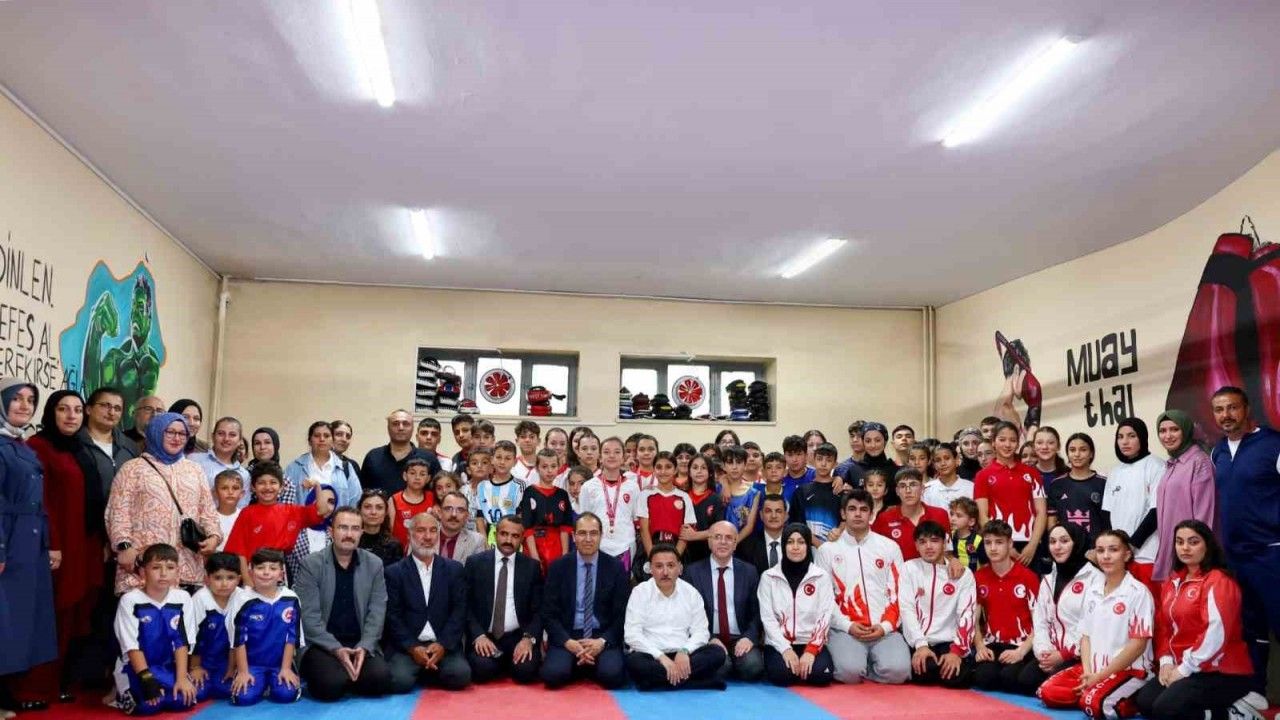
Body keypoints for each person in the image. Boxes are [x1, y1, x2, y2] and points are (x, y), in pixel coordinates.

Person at [1135, 520, 1264, 720]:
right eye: (1179, 542)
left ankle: (1236, 715)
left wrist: (1184, 669)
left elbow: (1216, 634)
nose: (1185, 548)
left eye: (1193, 542)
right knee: (1145, 702)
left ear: (1207, 545)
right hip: (1185, 665)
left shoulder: (1219, 581)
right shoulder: (1173, 582)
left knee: (1166, 708)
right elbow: (1164, 627)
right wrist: (1166, 662)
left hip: (1221, 671)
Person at [25, 390, 100, 705]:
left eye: (77, 410)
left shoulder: (79, 448)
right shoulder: (38, 446)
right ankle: (32, 687)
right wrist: (52, 543)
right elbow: (40, 500)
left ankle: (58, 682)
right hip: (55, 547)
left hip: (83, 546)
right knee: (50, 615)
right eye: (63, 409)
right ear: (50, 413)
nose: (71, 416)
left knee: (73, 617)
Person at [1037, 530, 1153, 717]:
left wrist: (1100, 676)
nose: (1106, 556)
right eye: (1100, 550)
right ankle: (1093, 693)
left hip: (1128, 671)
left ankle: (1128, 699)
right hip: (1093, 669)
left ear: (1127, 555)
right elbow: (1085, 636)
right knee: (1046, 692)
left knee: (1095, 706)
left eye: (1113, 550)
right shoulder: (1093, 590)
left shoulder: (1138, 593)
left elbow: (1138, 645)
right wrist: (1089, 672)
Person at [1209, 386, 1280, 690]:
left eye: (1232, 407)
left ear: (1247, 409)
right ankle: (1258, 693)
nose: (1226, 415)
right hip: (1237, 557)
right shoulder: (1217, 452)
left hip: (1272, 553)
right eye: (1219, 410)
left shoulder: (1274, 444)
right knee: (1251, 629)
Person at [106, 412, 222, 594]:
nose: (177, 438)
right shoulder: (133, 468)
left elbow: (207, 510)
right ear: (156, 432)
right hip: (143, 566)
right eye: (170, 432)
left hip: (188, 566)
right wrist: (124, 546)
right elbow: (118, 511)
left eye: (182, 433)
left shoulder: (195, 470)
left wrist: (214, 537)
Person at [294, 507, 395, 701]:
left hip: (359, 643)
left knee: (381, 680)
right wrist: (336, 649)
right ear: (331, 531)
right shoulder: (311, 564)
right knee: (330, 687)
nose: (349, 534)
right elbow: (309, 617)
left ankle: (346, 673)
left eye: (355, 528)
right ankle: (339, 674)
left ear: (361, 532)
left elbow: (377, 612)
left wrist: (365, 646)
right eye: (343, 527)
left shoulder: (374, 564)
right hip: (322, 644)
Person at [0, 379, 57, 711]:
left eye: (30, 400)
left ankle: (6, 691)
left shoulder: (20, 444)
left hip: (28, 544)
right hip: (9, 543)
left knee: (18, 621)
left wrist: (46, 544)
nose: (24, 405)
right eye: (16, 399)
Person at [816, 489, 911, 685]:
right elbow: (823, 598)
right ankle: (860, 662)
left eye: (863, 509)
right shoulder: (827, 550)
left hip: (883, 628)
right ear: (843, 514)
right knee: (848, 673)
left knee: (898, 673)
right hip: (845, 629)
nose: (858, 514)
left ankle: (868, 663)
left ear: (871, 514)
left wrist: (885, 626)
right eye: (852, 509)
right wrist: (847, 626)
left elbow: (899, 592)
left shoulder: (889, 547)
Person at [539, 513, 629, 689]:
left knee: (613, 676)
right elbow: (548, 613)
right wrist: (568, 642)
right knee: (552, 676)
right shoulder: (558, 567)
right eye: (582, 533)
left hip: (601, 635)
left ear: (601, 536)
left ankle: (583, 664)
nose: (588, 539)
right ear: (574, 536)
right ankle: (584, 664)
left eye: (593, 533)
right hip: (569, 635)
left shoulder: (615, 568)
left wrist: (602, 642)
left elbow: (622, 615)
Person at [385, 512, 472, 692]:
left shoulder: (454, 569)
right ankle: (426, 669)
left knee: (461, 676)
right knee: (399, 681)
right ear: (409, 535)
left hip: (442, 644)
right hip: (409, 646)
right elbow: (393, 616)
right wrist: (412, 647)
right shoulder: (394, 572)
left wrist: (443, 644)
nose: (428, 537)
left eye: (433, 531)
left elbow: (459, 611)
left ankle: (425, 668)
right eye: (421, 531)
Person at [110, 544, 199, 715]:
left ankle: (167, 686)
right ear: (143, 572)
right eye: (156, 568)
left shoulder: (183, 598)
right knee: (147, 706)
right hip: (136, 668)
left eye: (170, 568)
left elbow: (182, 642)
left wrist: (181, 678)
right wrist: (147, 680)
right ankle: (123, 694)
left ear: (177, 571)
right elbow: (131, 646)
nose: (163, 573)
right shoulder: (130, 600)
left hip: (167, 666)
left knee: (183, 701)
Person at [624, 543, 727, 690]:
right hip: (653, 655)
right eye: (659, 566)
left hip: (684, 654)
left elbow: (701, 632)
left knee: (717, 653)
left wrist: (684, 651)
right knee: (635, 662)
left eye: (671, 566)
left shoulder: (691, 593)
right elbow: (632, 635)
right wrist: (661, 657)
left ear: (680, 568)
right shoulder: (640, 593)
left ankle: (655, 684)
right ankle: (700, 683)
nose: (665, 572)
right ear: (650, 569)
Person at [463, 515, 544, 684]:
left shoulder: (532, 567)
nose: (508, 540)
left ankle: (506, 661)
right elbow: (465, 605)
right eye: (504, 534)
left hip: (518, 635)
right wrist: (478, 636)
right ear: (495, 534)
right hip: (486, 635)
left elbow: (539, 610)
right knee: (482, 670)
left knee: (526, 672)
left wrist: (528, 639)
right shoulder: (475, 563)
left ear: (522, 539)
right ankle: (501, 662)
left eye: (515, 536)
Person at [1021, 522, 1099, 694]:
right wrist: (1044, 652)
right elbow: (1040, 621)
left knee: (1051, 690)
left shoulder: (1094, 578)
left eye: (1064, 541)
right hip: (1052, 651)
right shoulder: (1049, 578)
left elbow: (1092, 627)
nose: (1057, 547)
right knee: (1023, 681)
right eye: (1052, 541)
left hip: (1080, 655)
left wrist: (1064, 655)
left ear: (1077, 543)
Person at [222, 462, 335, 580]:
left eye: (273, 482)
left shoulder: (292, 511)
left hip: (282, 571)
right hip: (254, 571)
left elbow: (322, 510)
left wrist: (317, 485)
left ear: (282, 487)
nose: (267, 487)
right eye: (261, 483)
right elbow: (239, 551)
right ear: (253, 487)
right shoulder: (247, 513)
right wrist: (247, 580)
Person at [683, 521, 765, 682]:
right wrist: (708, 638)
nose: (723, 542)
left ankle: (736, 660)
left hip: (740, 637)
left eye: (728, 538)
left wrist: (749, 637)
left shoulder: (749, 571)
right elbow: (687, 615)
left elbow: (757, 612)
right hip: (708, 636)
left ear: (735, 543)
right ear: (709, 541)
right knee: (721, 668)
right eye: (717, 537)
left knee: (753, 668)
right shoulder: (693, 572)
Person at [900, 520, 976, 688]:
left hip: (949, 642)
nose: (928, 546)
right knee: (924, 673)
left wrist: (957, 651)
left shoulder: (964, 574)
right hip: (919, 641)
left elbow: (967, 613)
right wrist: (920, 645)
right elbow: (907, 609)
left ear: (944, 543)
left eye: (934, 541)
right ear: (916, 545)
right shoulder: (909, 569)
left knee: (957, 677)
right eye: (922, 542)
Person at [758, 523, 835, 686]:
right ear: (783, 546)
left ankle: (804, 666)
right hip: (779, 643)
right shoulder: (768, 577)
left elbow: (825, 615)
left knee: (821, 675)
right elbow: (767, 618)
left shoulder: (821, 577)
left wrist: (811, 651)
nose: (795, 547)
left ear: (808, 546)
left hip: (810, 641)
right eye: (790, 542)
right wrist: (785, 649)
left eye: (801, 542)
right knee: (782, 676)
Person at [226, 548, 303, 705]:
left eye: (273, 568)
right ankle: (261, 683)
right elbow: (238, 640)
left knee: (286, 695)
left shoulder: (291, 599)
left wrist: (286, 668)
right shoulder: (242, 600)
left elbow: (291, 638)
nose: (266, 572)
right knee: (244, 698)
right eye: (260, 568)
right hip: (252, 664)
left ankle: (273, 681)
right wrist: (243, 672)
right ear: (251, 572)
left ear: (281, 574)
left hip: (279, 663)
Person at [971, 520, 1039, 693]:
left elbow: (1040, 623)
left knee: (1011, 679)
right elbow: (973, 620)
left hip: (1022, 644)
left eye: (999, 542)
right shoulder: (979, 577)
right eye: (988, 543)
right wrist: (980, 646)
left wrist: (1021, 652)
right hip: (993, 643)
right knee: (984, 679)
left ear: (1010, 544)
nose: (993, 548)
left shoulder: (1028, 577)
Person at [1152, 410, 1215, 583]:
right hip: (1174, 551)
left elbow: (1205, 514)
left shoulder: (1199, 461)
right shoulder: (1172, 464)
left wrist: (1197, 551)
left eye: (1174, 429)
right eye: (1162, 431)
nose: (1167, 436)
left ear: (1186, 431)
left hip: (1191, 558)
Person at [1105, 418, 1165, 597]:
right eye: (1120, 437)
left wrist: (1131, 545)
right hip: (1118, 557)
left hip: (1146, 554)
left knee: (1149, 607)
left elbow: (1156, 512)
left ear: (1142, 438)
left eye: (1131, 436)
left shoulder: (1156, 466)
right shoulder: (1115, 472)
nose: (1125, 441)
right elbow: (1106, 512)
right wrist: (1113, 547)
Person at [975, 421, 1047, 568]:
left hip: (1029, 545)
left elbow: (1041, 512)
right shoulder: (982, 475)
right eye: (1002, 440)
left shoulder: (1032, 473)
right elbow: (982, 516)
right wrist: (1004, 545)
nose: (1007, 445)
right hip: (997, 545)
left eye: (1013, 440)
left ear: (1018, 443)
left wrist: (1033, 545)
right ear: (993, 442)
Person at [189, 552, 245, 701]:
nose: (224, 584)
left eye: (230, 578)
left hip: (228, 660)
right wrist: (195, 667)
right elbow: (193, 636)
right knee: (198, 694)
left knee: (229, 691)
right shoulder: (200, 599)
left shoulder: (242, 597)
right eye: (218, 578)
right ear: (207, 579)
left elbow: (240, 638)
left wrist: (233, 668)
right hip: (203, 660)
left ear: (239, 579)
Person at [578, 437, 641, 569]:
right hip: (598, 546)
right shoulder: (588, 487)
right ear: (600, 457)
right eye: (607, 452)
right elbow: (584, 519)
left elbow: (636, 518)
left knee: (622, 581)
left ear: (623, 457)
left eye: (617, 452)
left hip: (625, 545)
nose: (612, 456)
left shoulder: (633, 487)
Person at [873, 468, 951, 561]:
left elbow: (947, 552)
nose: (908, 490)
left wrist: (953, 560)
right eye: (902, 486)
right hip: (899, 570)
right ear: (897, 491)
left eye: (913, 484)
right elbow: (875, 553)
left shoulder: (940, 514)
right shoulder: (884, 519)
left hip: (934, 569)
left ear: (922, 489)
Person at [518, 450, 574, 574]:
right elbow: (527, 528)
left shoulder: (562, 494)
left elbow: (565, 528)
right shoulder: (529, 492)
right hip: (534, 545)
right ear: (537, 468)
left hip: (556, 547)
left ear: (558, 468)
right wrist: (535, 558)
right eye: (544, 466)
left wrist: (564, 555)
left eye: (553, 466)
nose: (549, 471)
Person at [360, 410, 441, 494]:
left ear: (412, 428)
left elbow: (440, 492)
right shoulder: (373, 457)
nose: (401, 428)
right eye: (395, 424)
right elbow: (362, 493)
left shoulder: (429, 459)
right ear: (388, 428)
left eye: (406, 424)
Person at [1047, 432, 1108, 540]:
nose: (1077, 454)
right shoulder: (1057, 484)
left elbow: (1108, 521)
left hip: (1096, 547)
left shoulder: (1103, 483)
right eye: (1072, 450)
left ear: (1091, 454)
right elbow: (1052, 521)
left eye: (1083, 450)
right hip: (1066, 547)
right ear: (1067, 454)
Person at [788, 442, 842, 546]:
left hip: (835, 548)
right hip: (806, 547)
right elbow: (797, 524)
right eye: (819, 459)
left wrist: (839, 530)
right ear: (813, 460)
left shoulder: (840, 491)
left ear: (835, 464)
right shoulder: (801, 491)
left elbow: (845, 519)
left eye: (829, 460)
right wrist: (819, 545)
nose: (823, 464)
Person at [191, 417, 250, 509]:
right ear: (213, 436)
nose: (226, 439)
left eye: (232, 435)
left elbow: (241, 508)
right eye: (221, 433)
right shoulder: (194, 460)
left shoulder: (244, 475)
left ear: (239, 441)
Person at [389, 458, 434, 551]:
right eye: (412, 473)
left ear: (428, 478)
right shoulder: (394, 500)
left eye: (422, 474)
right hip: (400, 552)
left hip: (426, 550)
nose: (417, 477)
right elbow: (389, 530)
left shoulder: (432, 498)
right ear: (405, 476)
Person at [737, 493, 787, 574]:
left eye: (778, 511)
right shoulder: (746, 546)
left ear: (785, 516)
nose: (773, 516)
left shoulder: (796, 544)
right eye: (768, 511)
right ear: (761, 515)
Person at [719, 445, 761, 540]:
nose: (734, 467)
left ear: (745, 465)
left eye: (738, 462)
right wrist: (724, 484)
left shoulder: (754, 493)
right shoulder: (717, 488)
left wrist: (733, 543)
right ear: (724, 466)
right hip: (717, 542)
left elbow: (749, 527)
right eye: (730, 463)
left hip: (742, 542)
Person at [436, 491, 486, 563]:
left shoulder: (477, 541)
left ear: (467, 516)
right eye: (448, 509)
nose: (454, 514)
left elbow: (477, 569)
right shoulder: (425, 536)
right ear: (440, 513)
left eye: (460, 510)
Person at [358, 489, 405, 566]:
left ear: (386, 512)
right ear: (360, 510)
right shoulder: (352, 541)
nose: (373, 512)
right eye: (367, 507)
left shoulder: (394, 546)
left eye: (379, 507)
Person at [923, 442, 973, 509]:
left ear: (956, 459)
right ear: (934, 464)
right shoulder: (927, 489)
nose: (943, 463)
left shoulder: (970, 487)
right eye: (938, 460)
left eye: (947, 458)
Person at [949, 497, 985, 572]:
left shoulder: (978, 540)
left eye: (958, 516)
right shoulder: (950, 536)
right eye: (952, 514)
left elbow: (984, 564)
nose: (952, 519)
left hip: (973, 577)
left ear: (971, 521)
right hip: (954, 576)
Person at [212, 470, 244, 551]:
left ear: (242, 493)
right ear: (215, 493)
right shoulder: (209, 518)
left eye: (235, 488)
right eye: (224, 488)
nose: (230, 492)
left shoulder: (245, 517)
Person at [835, 421, 868, 487]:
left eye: (859, 436)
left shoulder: (873, 466)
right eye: (852, 436)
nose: (855, 440)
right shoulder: (841, 467)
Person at [512, 420, 542, 484]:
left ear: (538, 441)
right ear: (517, 441)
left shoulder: (545, 465)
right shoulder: (511, 465)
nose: (527, 440)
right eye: (523, 437)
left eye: (532, 437)